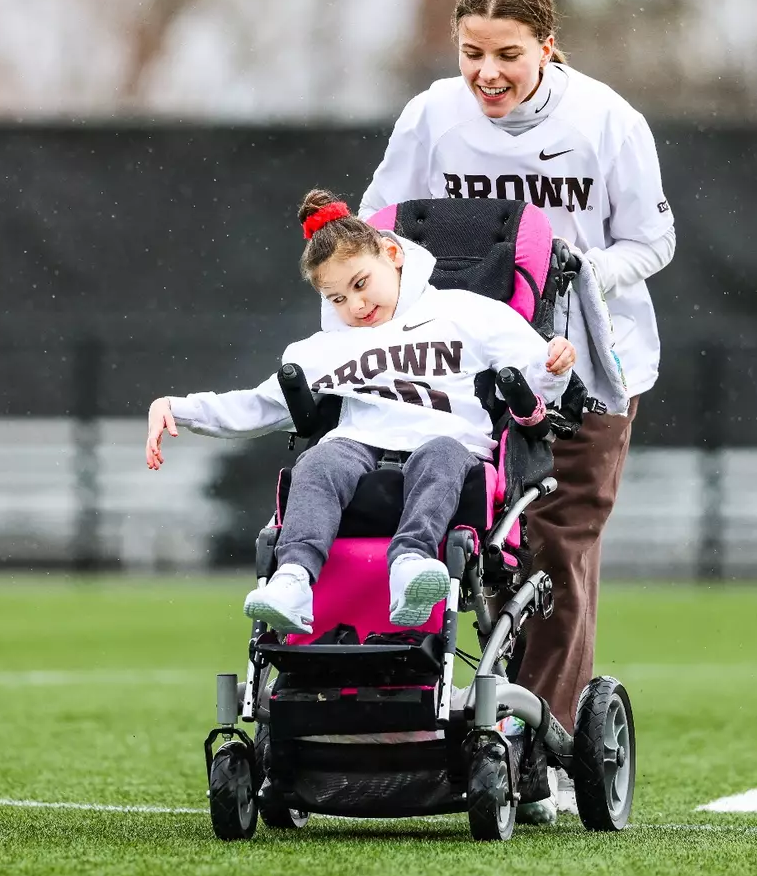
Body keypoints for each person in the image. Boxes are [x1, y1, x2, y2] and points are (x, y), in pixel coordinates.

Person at [359, 0, 675, 822]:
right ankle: (440, 723)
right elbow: (378, 224)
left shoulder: (607, 122)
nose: (486, 73)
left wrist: (580, 272)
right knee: (475, 542)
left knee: (557, 547)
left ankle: (541, 751)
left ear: (547, 46)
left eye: (507, 54)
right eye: (471, 53)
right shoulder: (432, 116)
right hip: (459, 368)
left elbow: (653, 238)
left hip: (583, 364)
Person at [145, 190, 576, 632]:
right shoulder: (326, 347)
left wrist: (554, 365)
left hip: (448, 439)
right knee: (318, 460)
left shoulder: (466, 312)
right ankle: (293, 579)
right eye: (335, 298)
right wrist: (177, 408)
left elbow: (535, 377)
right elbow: (260, 406)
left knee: (441, 454)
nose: (354, 305)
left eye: (360, 283)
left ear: (391, 253)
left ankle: (410, 565)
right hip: (361, 444)